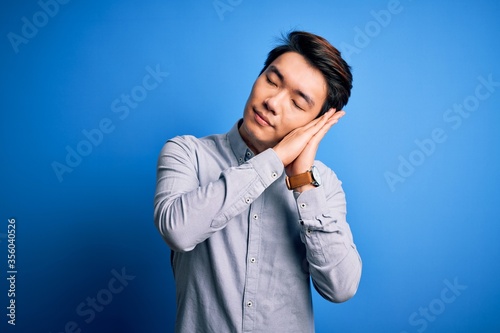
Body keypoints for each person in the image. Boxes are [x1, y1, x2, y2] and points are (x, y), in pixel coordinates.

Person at [154, 30, 362, 333]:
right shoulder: (188, 153)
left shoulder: (323, 185)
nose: (272, 102)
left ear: (316, 124)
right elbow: (177, 230)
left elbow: (341, 287)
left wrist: (302, 182)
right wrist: (274, 160)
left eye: (297, 103)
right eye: (272, 81)